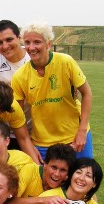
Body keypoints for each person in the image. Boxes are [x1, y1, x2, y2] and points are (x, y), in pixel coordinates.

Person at [11, 20, 94, 160]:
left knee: (82, 178)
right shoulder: (19, 76)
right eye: (27, 42)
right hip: (42, 143)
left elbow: (87, 94)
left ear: (48, 44)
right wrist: (29, 147)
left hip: (74, 137)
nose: (31, 47)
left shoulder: (66, 62)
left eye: (37, 42)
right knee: (49, 182)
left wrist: (82, 131)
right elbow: (18, 119)